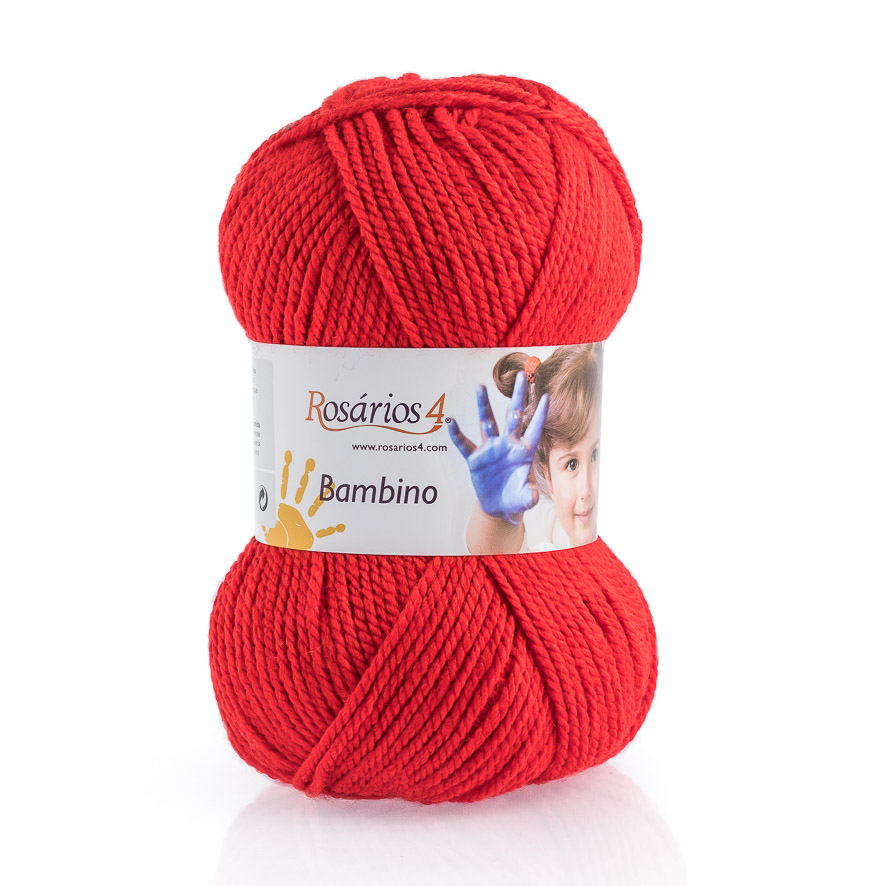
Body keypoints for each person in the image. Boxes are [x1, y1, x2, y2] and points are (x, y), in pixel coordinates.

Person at [448, 344, 602, 555]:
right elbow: (500, 554)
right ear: (549, 479)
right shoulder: (550, 554)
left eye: (596, 455)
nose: (587, 490)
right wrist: (497, 518)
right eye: (571, 464)